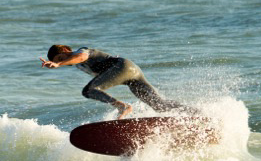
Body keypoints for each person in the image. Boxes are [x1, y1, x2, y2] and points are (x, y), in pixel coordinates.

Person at [40, 45, 194, 119]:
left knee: (88, 90)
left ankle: (123, 106)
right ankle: (196, 114)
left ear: (66, 51)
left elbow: (81, 57)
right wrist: (59, 63)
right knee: (159, 104)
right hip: (131, 74)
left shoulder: (81, 51)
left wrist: (58, 64)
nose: (61, 62)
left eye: (61, 58)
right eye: (58, 61)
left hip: (123, 67)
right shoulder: (77, 65)